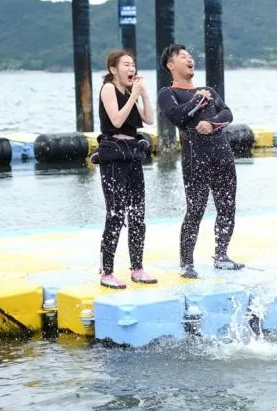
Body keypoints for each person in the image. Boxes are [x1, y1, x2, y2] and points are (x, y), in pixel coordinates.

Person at [157, 44, 243, 278]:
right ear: (170, 65)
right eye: (183, 57)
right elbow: (177, 116)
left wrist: (212, 124)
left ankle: (222, 255)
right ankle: (186, 263)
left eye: (190, 56)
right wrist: (197, 101)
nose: (189, 59)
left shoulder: (209, 90)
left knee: (227, 206)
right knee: (196, 210)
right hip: (196, 159)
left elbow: (227, 114)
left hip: (222, 155)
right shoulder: (168, 93)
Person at [95, 49, 157, 289]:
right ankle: (107, 271)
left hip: (132, 154)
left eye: (133, 65)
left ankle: (137, 267)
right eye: (126, 65)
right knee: (116, 213)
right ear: (113, 69)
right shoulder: (109, 88)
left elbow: (149, 119)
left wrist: (143, 94)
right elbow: (117, 120)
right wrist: (133, 96)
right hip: (113, 154)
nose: (132, 69)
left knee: (137, 213)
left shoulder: (131, 90)